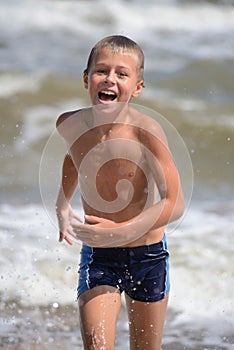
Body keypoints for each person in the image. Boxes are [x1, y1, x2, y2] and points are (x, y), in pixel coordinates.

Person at [55, 35, 184, 350]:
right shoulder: (69, 124)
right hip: (99, 256)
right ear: (87, 78)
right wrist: (62, 203)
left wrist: (121, 231)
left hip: (148, 256)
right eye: (101, 71)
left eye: (121, 74)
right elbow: (74, 157)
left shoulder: (146, 133)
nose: (109, 79)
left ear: (137, 87)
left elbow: (175, 202)